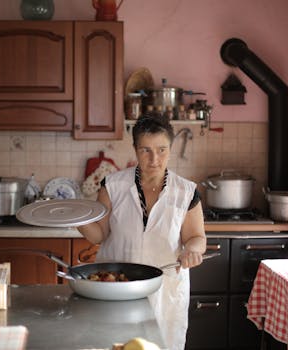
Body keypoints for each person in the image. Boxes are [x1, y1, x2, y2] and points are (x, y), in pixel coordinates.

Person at [77, 113, 207, 350]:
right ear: (135, 148)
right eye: (145, 150)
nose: (154, 159)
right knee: (115, 344)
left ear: (171, 148)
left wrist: (192, 250)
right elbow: (99, 235)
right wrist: (78, 218)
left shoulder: (186, 191)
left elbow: (196, 237)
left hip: (165, 289)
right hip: (117, 287)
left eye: (161, 149)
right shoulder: (113, 185)